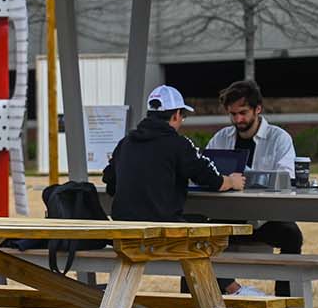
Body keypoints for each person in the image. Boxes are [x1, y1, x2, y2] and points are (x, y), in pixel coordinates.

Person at [103, 85, 248, 292]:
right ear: (176, 115)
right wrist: (232, 181)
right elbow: (212, 179)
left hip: (125, 232)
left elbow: (110, 182)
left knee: (194, 234)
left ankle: (217, 293)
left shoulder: (125, 143)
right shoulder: (178, 144)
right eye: (183, 116)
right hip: (161, 234)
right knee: (203, 233)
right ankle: (229, 291)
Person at [206, 79, 304, 297]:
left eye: (243, 113)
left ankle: (285, 303)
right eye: (232, 114)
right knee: (196, 237)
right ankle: (202, 303)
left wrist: (242, 179)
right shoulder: (221, 138)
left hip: (265, 218)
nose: (238, 119)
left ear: (257, 109)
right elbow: (207, 171)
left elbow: (286, 177)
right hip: (228, 217)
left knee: (292, 235)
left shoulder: (279, 138)